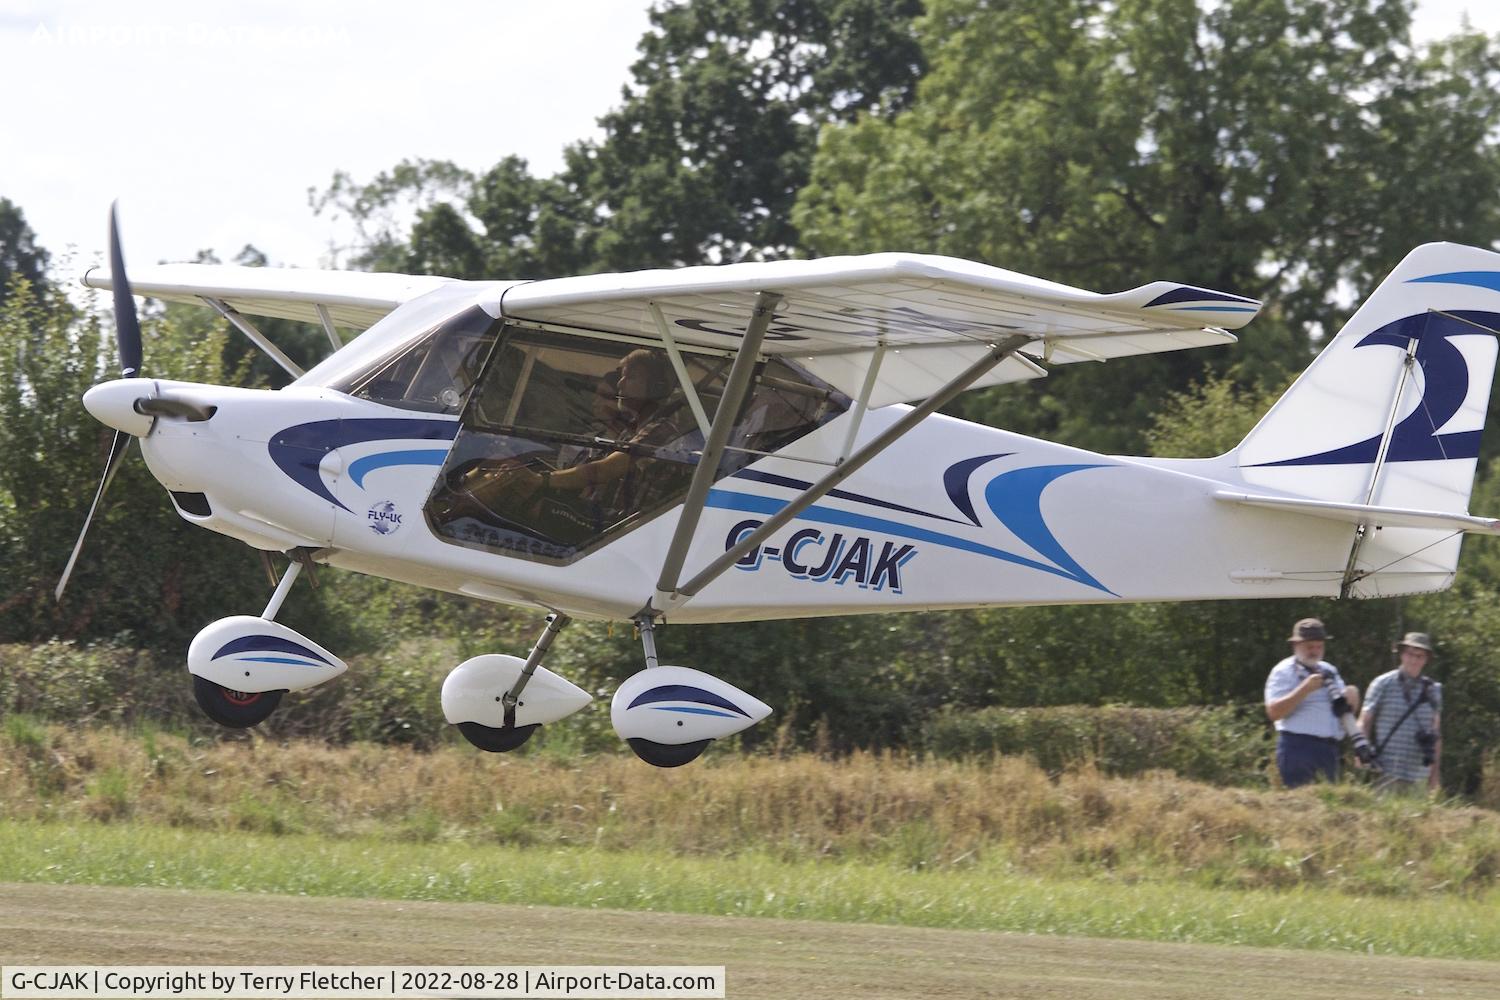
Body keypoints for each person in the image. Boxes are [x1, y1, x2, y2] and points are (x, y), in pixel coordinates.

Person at [1264, 618, 1361, 788]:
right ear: (1296, 646)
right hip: (1297, 748)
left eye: (1319, 646)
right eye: (1310, 647)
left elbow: (1344, 711)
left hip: (1329, 750)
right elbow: (1274, 712)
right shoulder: (1283, 671)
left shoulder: (1329, 670)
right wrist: (1304, 689)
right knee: (1297, 807)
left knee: (1326, 808)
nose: (1315, 651)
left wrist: (1352, 697)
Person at [1360, 632, 1443, 796]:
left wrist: (1434, 776)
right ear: (1402, 654)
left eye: (1420, 656)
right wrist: (1361, 752)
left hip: (1419, 775)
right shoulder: (1383, 683)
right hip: (1385, 771)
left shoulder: (1434, 690)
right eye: (1410, 654)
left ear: (1426, 659)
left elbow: (1436, 735)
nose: (1414, 660)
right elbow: (1364, 721)